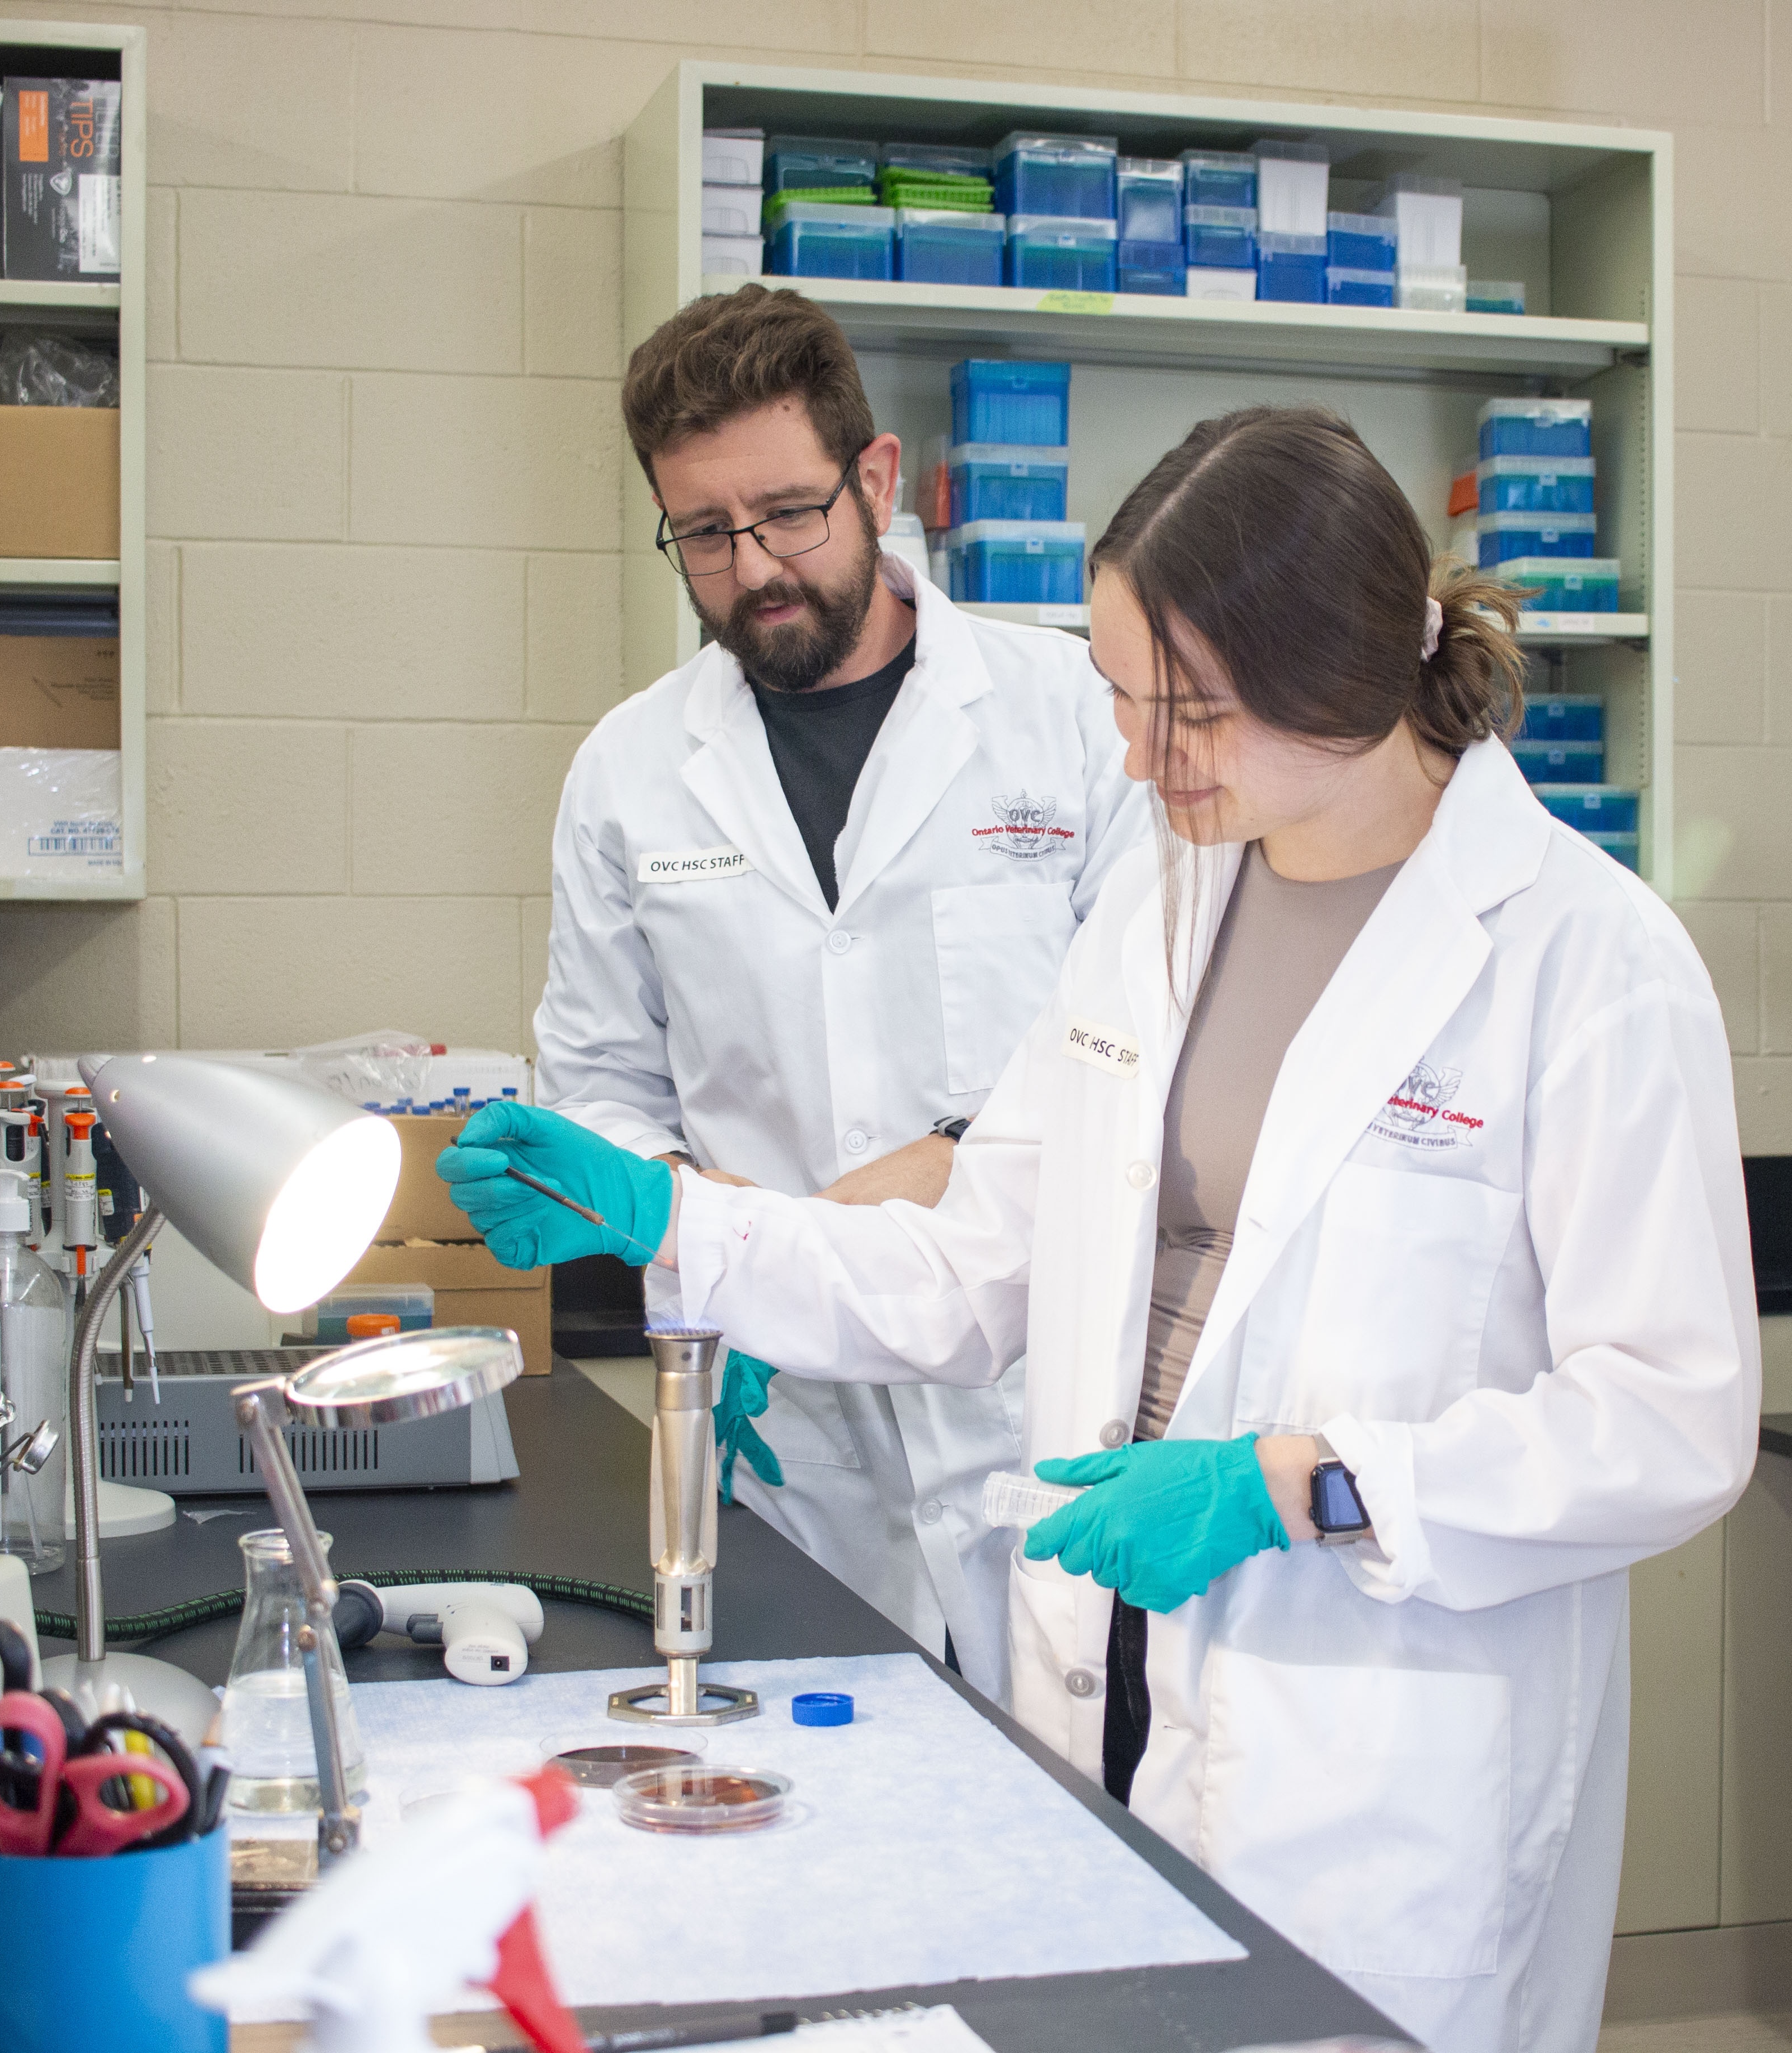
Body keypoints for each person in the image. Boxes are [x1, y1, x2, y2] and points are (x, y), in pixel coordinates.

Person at [443, 406, 1759, 2053]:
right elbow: (974, 1263)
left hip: (1371, 1730)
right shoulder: (1160, 910)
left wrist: (1305, 1484)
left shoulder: (1584, 959)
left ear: (1342, 671)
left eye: (1186, 711)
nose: (1139, 761)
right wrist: (683, 1228)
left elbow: (1669, 1419)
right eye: (1125, 700)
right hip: (1107, 1656)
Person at [529, 284, 1144, 1691]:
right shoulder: (626, 772)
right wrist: (696, 1254)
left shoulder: (1069, 720)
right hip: (782, 1426)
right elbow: (602, 1086)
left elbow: (1138, 1061)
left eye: (787, 513)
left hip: (1033, 1406)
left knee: (1062, 1794)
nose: (751, 567)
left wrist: (893, 1189)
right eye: (702, 532)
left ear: (874, 479)